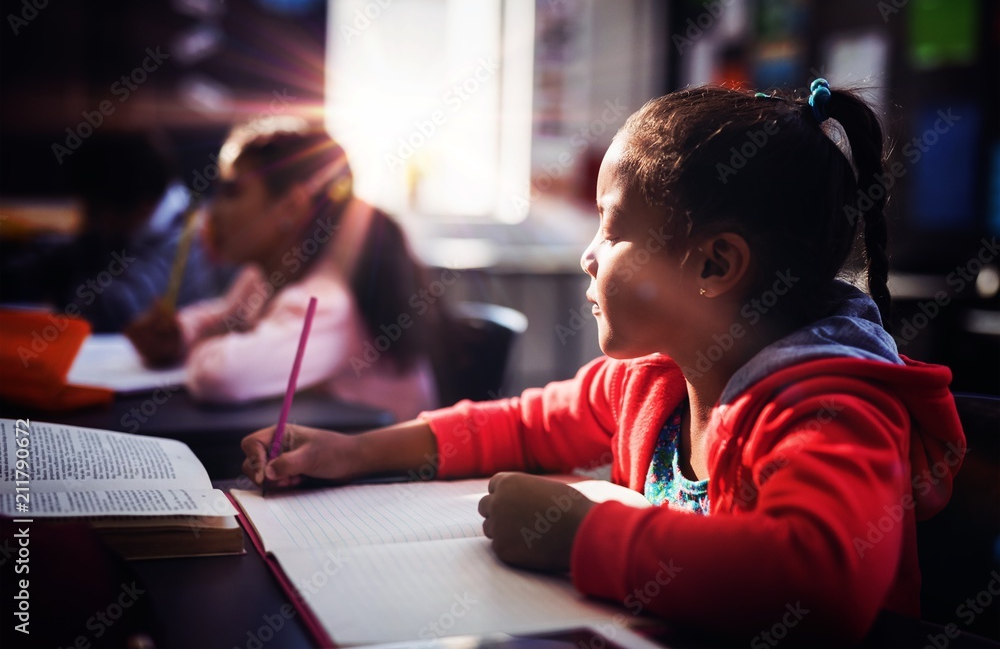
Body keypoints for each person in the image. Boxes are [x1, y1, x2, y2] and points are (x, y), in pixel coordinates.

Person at [239, 82, 966, 642]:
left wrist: (578, 534)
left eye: (612, 227)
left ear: (714, 263)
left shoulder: (831, 410)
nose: (587, 253)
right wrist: (354, 450)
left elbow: (820, 580)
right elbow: (525, 423)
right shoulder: (652, 378)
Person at [126, 119, 439, 421]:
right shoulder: (260, 278)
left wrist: (201, 345)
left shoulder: (326, 302)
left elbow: (222, 377)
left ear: (290, 206)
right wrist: (179, 333)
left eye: (232, 192)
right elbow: (222, 317)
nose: (213, 210)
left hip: (381, 470)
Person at [0, 132, 218, 331]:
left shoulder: (186, 239)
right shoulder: (145, 213)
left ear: (144, 205)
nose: (89, 222)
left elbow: (118, 310)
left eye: (96, 212)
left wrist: (65, 278)